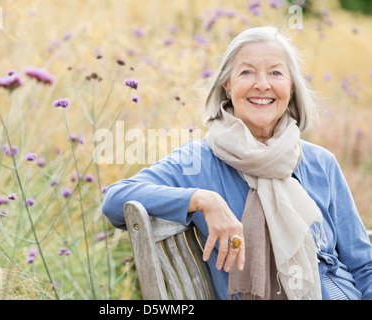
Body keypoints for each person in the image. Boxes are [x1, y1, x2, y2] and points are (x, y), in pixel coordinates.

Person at [101, 26, 372, 300]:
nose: (262, 84)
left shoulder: (320, 163)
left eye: (276, 72)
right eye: (247, 72)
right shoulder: (198, 162)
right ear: (227, 86)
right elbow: (114, 198)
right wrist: (202, 199)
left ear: (291, 87)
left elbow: (363, 265)